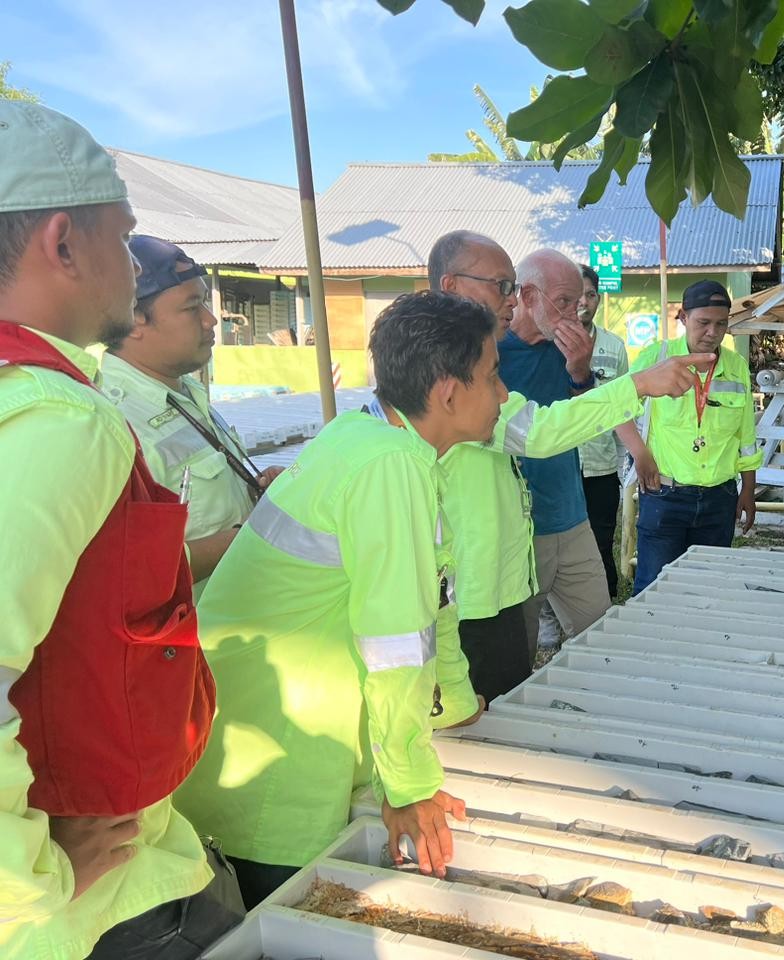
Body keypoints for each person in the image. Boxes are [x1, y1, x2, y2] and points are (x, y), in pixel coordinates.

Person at [0, 102, 236, 960]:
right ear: (64, 243)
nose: (131, 268)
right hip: (95, 909)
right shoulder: (62, 419)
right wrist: (30, 877)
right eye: (123, 235)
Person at [176, 292, 502, 909]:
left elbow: (433, 602)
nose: (503, 394)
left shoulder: (367, 436)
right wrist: (408, 786)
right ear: (447, 393)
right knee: (282, 918)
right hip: (280, 751)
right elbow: (397, 643)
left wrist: (454, 706)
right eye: (492, 376)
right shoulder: (390, 466)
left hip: (252, 723)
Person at [389, 233, 704, 699]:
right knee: (488, 699)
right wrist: (637, 384)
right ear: (451, 286)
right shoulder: (439, 369)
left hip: (503, 568)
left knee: (507, 684)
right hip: (471, 585)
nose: (511, 299)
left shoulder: (527, 351)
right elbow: (535, 431)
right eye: (502, 286)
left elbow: (541, 424)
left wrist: (583, 374)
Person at [99, 236, 281, 593]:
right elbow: (124, 573)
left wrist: (258, 492)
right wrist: (248, 536)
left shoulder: (184, 393)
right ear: (133, 320)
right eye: (192, 306)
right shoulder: (112, 422)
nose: (211, 319)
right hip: (195, 624)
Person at [499, 249, 613, 649]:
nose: (574, 314)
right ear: (528, 296)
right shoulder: (489, 353)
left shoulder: (567, 348)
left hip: (572, 516)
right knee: (517, 653)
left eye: (578, 302)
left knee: (601, 635)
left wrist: (580, 371)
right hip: (518, 528)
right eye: (563, 301)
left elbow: (586, 417)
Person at [624, 280, 763, 594]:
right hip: (665, 495)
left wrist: (748, 489)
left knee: (706, 590)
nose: (712, 333)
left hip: (719, 499)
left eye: (721, 324)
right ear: (683, 317)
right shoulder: (656, 358)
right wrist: (640, 454)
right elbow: (619, 411)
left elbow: (746, 436)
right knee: (653, 589)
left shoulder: (736, 367)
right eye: (703, 323)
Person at [574, 264, 628, 598]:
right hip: (559, 465)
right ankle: (554, 616)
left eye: (591, 295)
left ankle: (605, 605)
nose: (584, 302)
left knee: (600, 543)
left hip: (601, 467)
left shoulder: (614, 346)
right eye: (577, 295)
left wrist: (628, 462)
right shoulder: (547, 343)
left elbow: (623, 409)